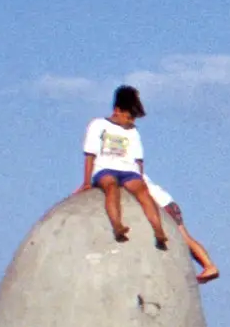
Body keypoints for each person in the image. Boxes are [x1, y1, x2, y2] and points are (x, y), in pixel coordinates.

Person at [81, 85, 165, 250]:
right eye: (128, 117)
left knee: (142, 192)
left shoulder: (133, 131)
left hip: (128, 170)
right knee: (111, 187)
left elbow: (138, 159)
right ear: (117, 110)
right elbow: (90, 154)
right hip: (105, 168)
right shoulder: (98, 125)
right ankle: (117, 225)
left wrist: (140, 177)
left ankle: (158, 230)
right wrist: (87, 182)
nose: (131, 122)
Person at [146, 181, 221, 283]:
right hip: (166, 204)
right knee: (183, 240)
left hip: (163, 205)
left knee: (183, 237)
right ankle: (208, 266)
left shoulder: (131, 174)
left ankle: (209, 266)